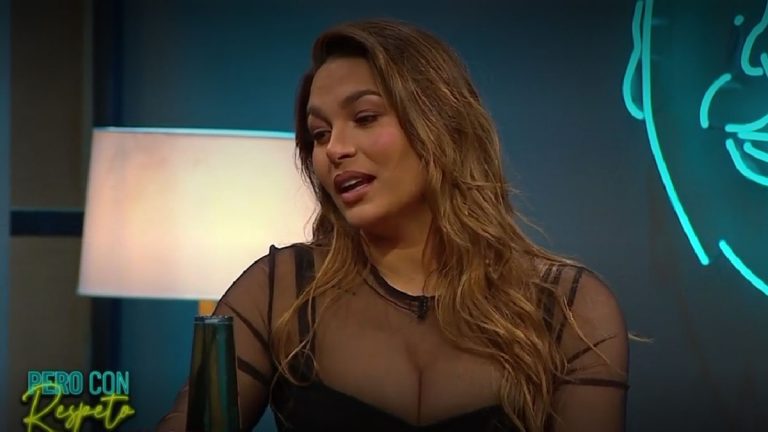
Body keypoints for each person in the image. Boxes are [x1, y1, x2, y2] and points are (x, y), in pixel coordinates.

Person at [157, 18, 629, 432]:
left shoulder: (569, 308)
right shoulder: (278, 293)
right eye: (320, 134)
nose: (334, 149)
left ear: (441, 125)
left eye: (364, 118)